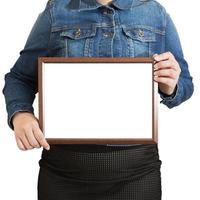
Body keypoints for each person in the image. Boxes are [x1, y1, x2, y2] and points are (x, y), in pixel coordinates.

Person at [2, 0, 193, 199]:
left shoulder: (155, 13)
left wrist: (171, 86)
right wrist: (21, 114)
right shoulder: (56, 11)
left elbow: (185, 84)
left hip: (137, 176)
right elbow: (20, 78)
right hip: (63, 174)